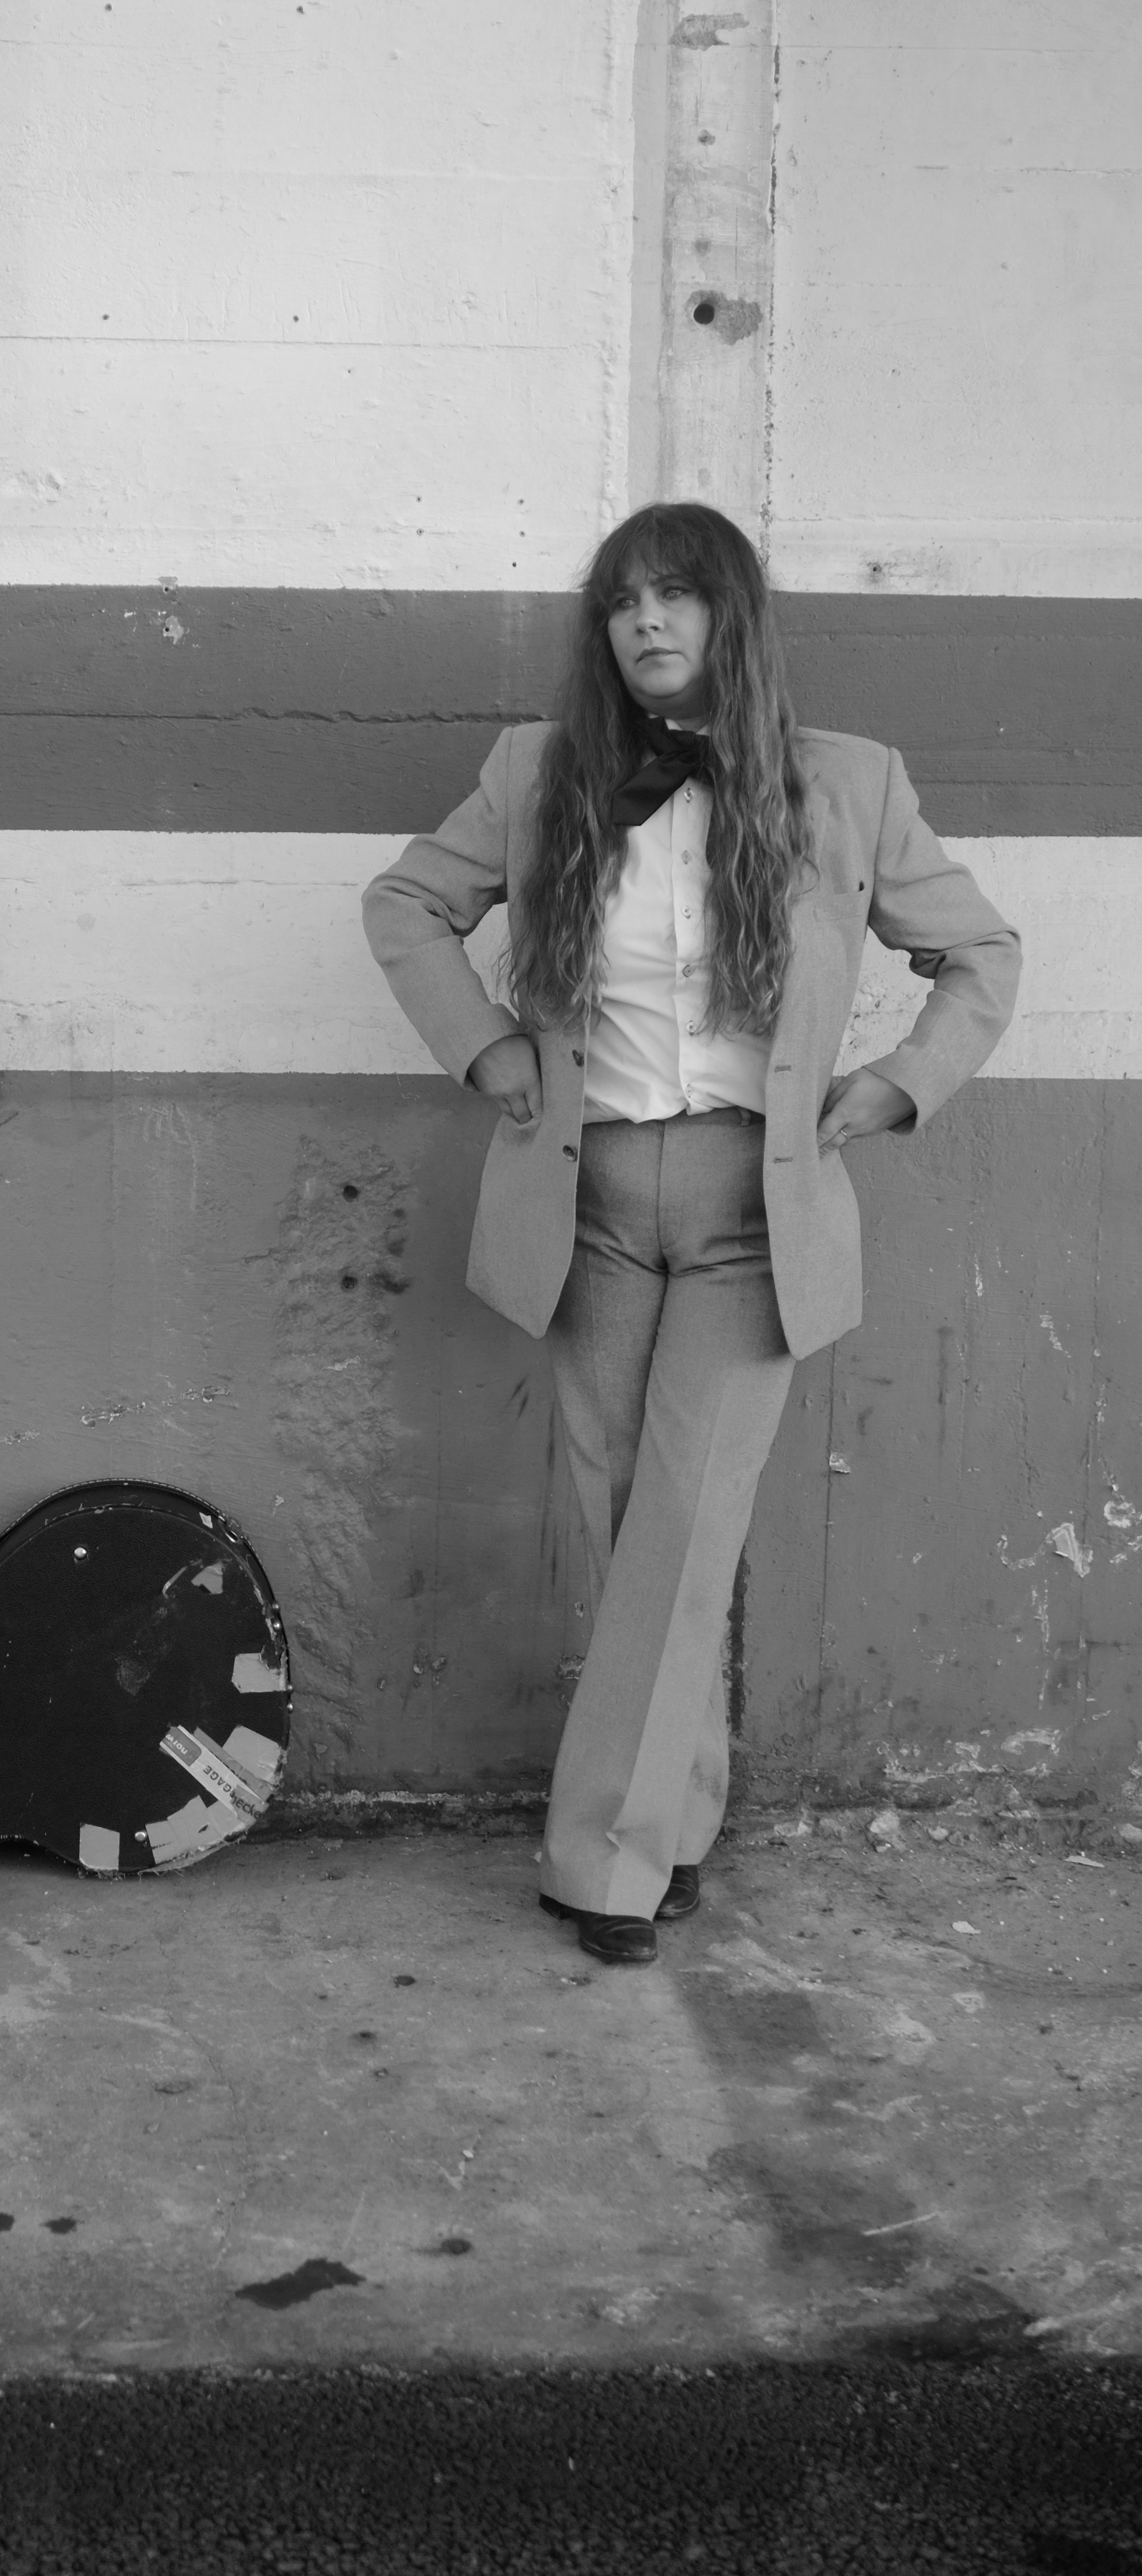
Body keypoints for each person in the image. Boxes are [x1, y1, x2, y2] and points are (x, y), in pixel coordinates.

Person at [362, 501, 1020, 1967]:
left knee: (685, 1516)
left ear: (733, 617)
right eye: (622, 601)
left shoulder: (849, 783)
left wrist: (900, 1083)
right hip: (585, 1203)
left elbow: (982, 952)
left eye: (676, 595)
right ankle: (679, 1814)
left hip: (751, 1214)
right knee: (630, 1533)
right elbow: (406, 904)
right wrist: (486, 1048)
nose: (646, 621)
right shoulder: (540, 772)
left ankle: (603, 1860)